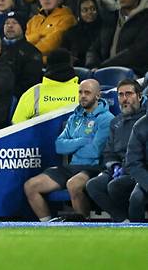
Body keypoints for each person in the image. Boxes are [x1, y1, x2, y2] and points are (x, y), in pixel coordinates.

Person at [24, 79, 113, 222]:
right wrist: (82, 141)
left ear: (97, 95)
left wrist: (73, 147)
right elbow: (60, 146)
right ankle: (48, 226)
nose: (83, 96)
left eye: (87, 92)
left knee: (73, 184)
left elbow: (94, 151)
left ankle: (83, 227)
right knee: (31, 186)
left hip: (94, 167)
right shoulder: (73, 118)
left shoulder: (106, 119)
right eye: (80, 92)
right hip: (71, 167)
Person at [86, 79, 145, 222]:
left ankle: (133, 223)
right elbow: (108, 153)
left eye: (129, 94)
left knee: (115, 186)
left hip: (138, 168)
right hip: (119, 168)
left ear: (139, 96)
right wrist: (113, 166)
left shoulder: (145, 120)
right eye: (121, 95)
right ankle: (122, 221)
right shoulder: (115, 122)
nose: (124, 99)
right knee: (93, 185)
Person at [12, 48, 79, 124]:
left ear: (47, 66)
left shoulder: (32, 93)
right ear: (71, 65)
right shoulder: (84, 92)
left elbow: (16, 125)